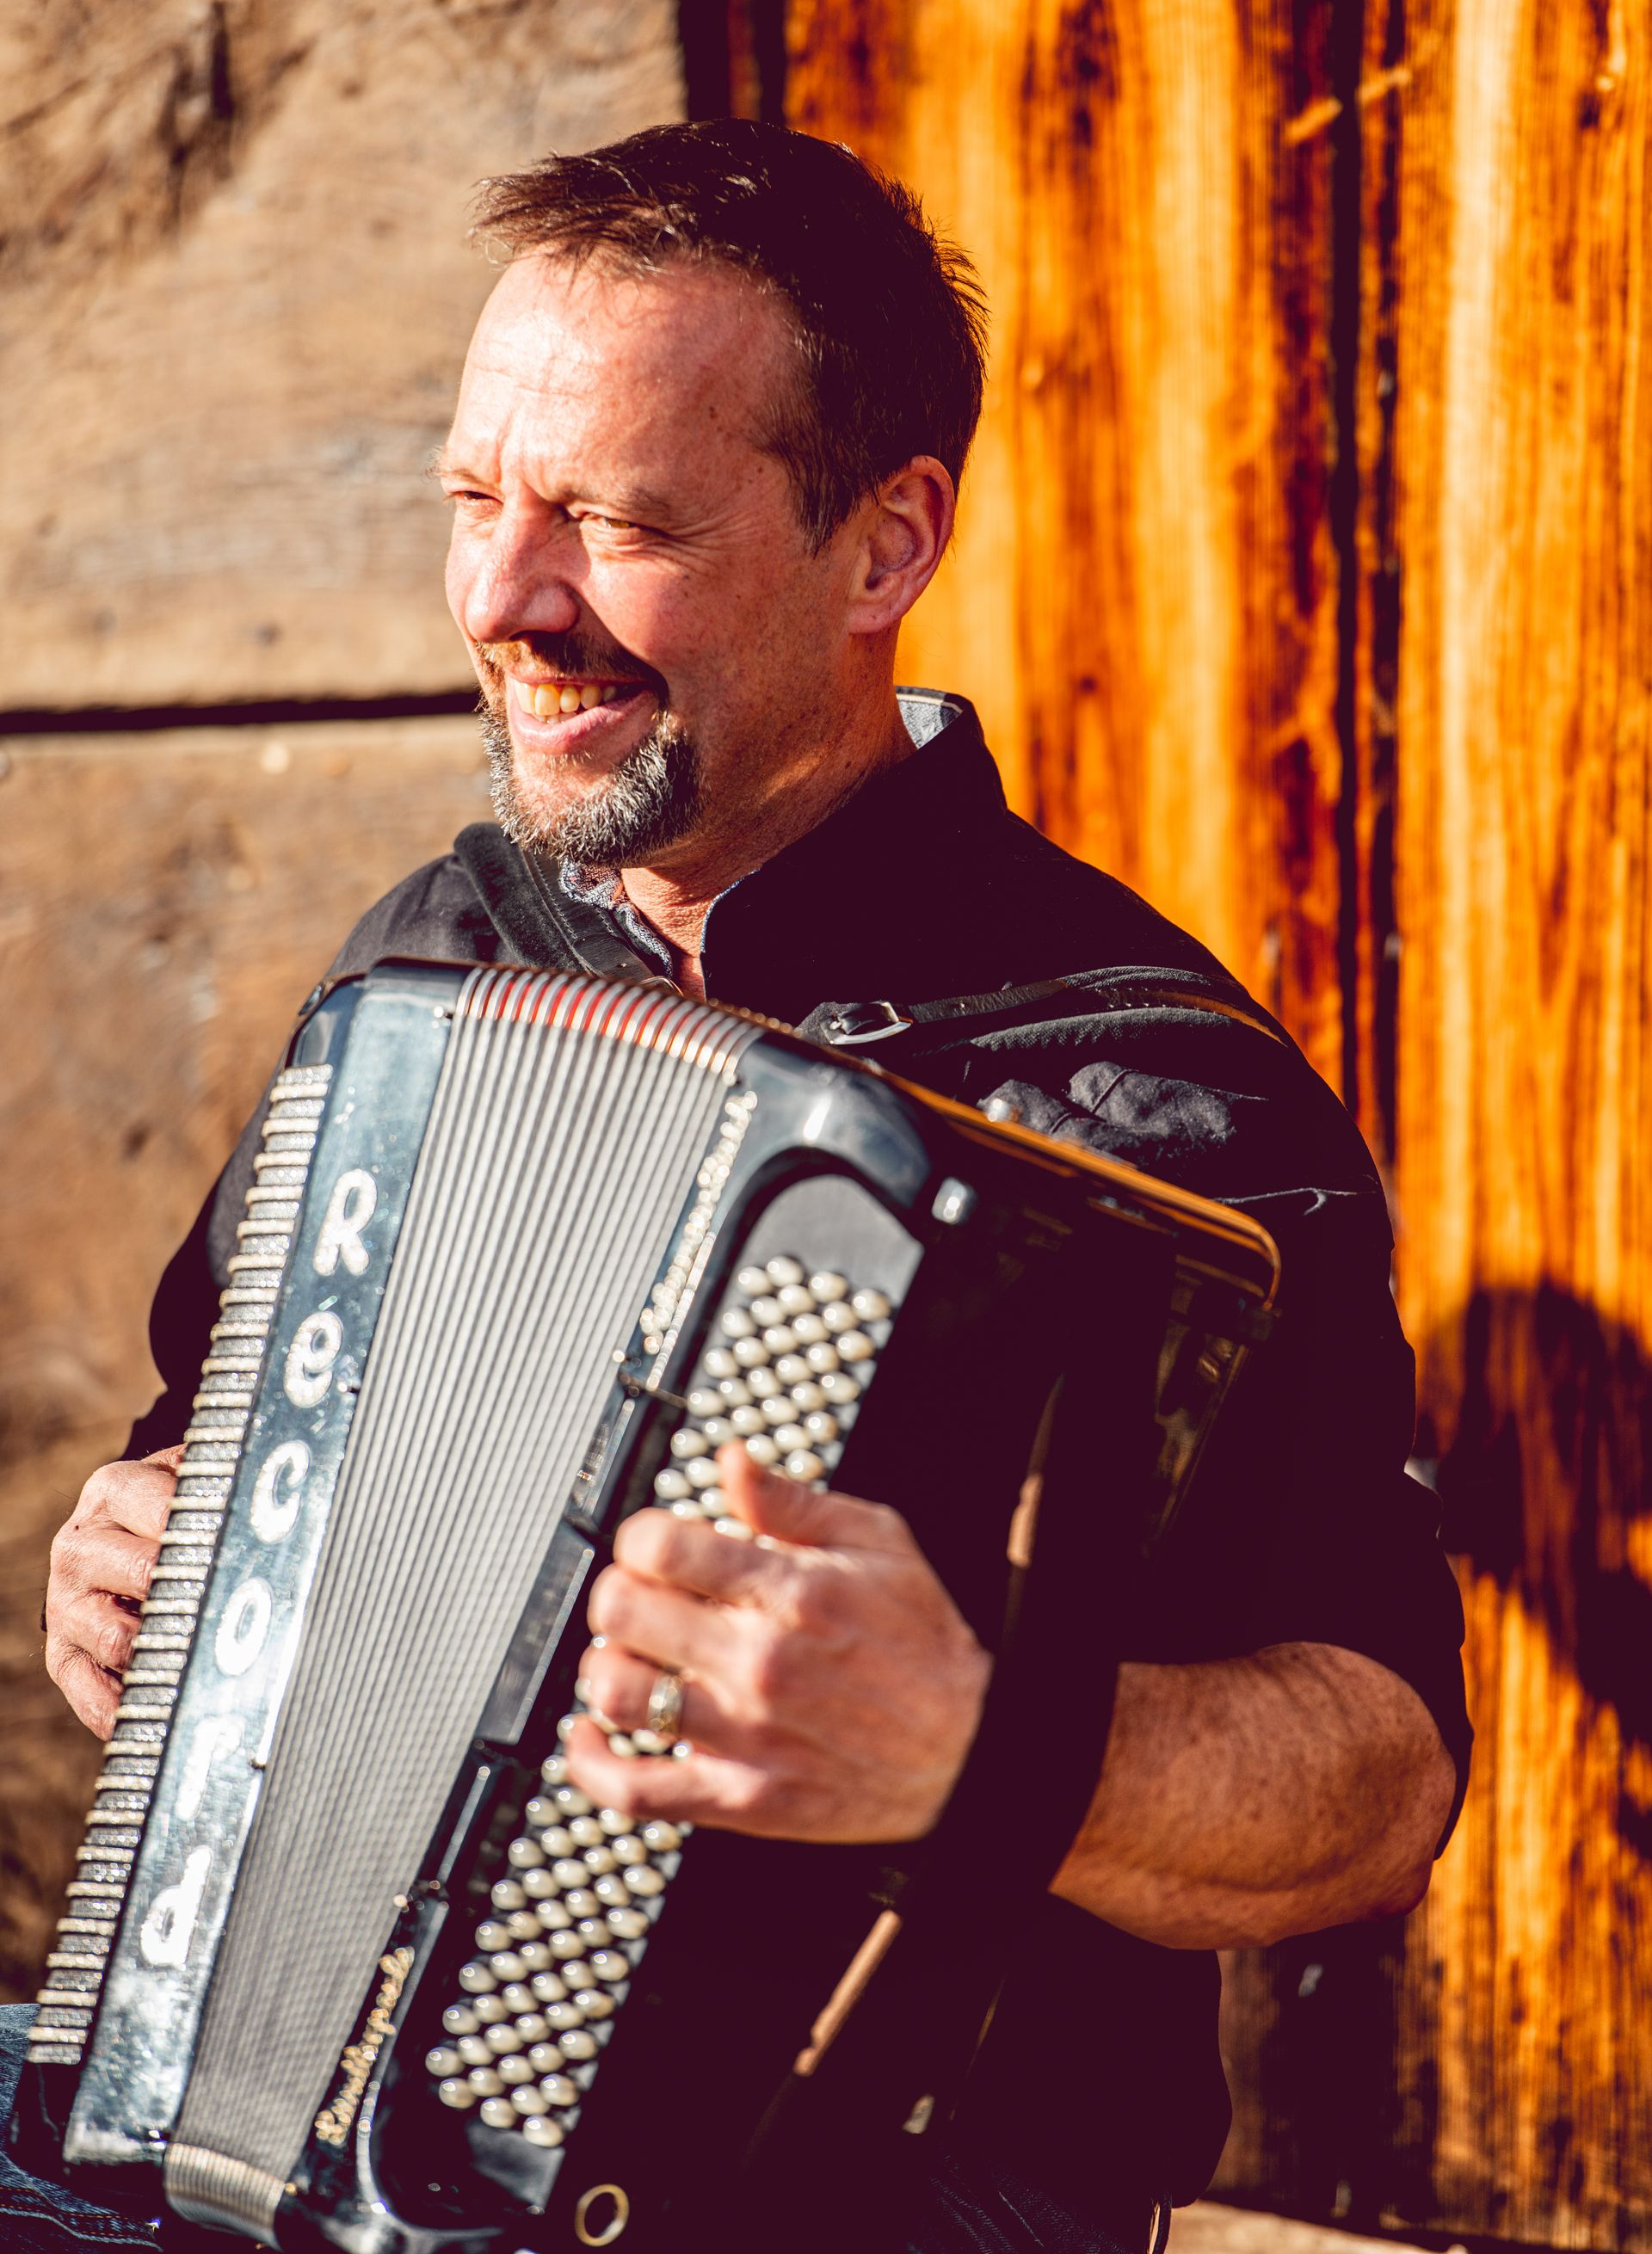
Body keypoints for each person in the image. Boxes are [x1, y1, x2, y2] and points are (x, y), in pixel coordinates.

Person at [16, 120, 1469, 2254]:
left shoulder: (1152, 1093)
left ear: (885, 546)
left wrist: (979, 1746)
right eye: (477, 502)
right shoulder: (435, 960)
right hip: (306, 2091)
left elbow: (1381, 1777)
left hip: (902, 2184)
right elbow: (202, 1447)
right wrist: (135, 1568)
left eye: (618, 522)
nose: (505, 601)